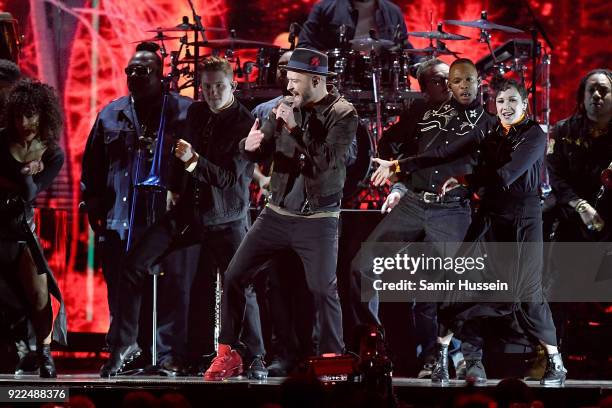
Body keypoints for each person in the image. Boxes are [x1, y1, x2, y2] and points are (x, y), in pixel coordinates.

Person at [371, 78, 567, 386]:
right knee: (456, 284)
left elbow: (506, 175)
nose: (506, 107)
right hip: (489, 219)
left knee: (528, 295)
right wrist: (400, 164)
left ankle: (556, 362)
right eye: (501, 101)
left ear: (525, 104)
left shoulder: (534, 135)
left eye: (512, 101)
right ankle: (442, 360)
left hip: (522, 224)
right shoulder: (489, 131)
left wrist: (466, 181)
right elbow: (444, 153)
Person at [99, 56, 265, 379]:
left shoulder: (244, 123)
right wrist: (175, 186)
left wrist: (193, 163)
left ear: (232, 84)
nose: (213, 92)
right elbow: (180, 154)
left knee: (239, 284)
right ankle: (124, 345)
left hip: (226, 217)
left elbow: (230, 178)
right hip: (190, 213)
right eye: (207, 86)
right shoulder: (197, 112)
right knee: (133, 263)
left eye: (219, 86)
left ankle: (255, 355)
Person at [203, 48, 358, 381]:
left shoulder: (343, 113)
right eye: (288, 79)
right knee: (234, 275)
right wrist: (251, 146)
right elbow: (262, 152)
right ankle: (228, 353)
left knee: (322, 288)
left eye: (295, 80)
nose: (289, 87)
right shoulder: (281, 108)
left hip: (318, 218)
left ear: (316, 80)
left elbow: (329, 160)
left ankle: (333, 360)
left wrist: (297, 129)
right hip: (277, 213)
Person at [350, 58, 489, 379]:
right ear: (427, 88)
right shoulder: (418, 115)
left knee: (454, 282)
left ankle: (458, 356)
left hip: (451, 208)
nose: (449, 86)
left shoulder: (482, 121)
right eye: (440, 81)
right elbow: (388, 145)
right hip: (413, 204)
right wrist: (398, 183)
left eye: (453, 80)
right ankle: (374, 343)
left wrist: (469, 186)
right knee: (361, 267)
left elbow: (458, 157)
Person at [81, 42, 196, 374]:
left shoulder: (184, 111)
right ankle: (128, 349)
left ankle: (170, 354)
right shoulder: (111, 114)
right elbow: (93, 166)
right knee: (121, 287)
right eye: (130, 70)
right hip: (121, 217)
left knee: (174, 287)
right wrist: (93, 207)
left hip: (170, 218)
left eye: (142, 70)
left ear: (160, 76)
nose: (134, 75)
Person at [0, 79, 66, 377]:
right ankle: (20, 347)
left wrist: (24, 175)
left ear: (42, 114)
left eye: (30, 115)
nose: (24, 122)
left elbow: (29, 194)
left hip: (23, 233)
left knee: (40, 296)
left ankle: (44, 352)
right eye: (18, 115)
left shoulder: (52, 153)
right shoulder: (1, 141)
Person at [548, 69, 611, 241]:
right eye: (591, 90)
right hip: (572, 210)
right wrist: (581, 206)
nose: (596, 95)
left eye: (604, 90)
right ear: (583, 96)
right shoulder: (562, 130)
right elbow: (554, 176)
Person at [297, 0, 417, 64]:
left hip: (382, 80)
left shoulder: (393, 11)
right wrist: (323, 62)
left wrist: (423, 66)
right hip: (337, 79)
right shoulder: (324, 8)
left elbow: (403, 47)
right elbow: (304, 45)